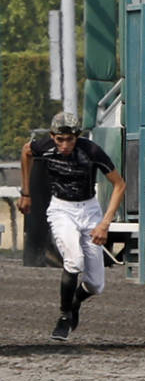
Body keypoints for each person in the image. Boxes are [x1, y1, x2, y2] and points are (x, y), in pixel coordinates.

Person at [20, 111, 125, 343]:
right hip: (61, 209)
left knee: (96, 285)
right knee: (74, 261)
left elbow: (119, 184)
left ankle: (74, 302)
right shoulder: (44, 146)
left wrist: (104, 224)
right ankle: (64, 316)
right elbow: (26, 151)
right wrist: (25, 192)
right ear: (52, 136)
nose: (65, 145)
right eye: (60, 140)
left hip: (90, 210)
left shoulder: (91, 151)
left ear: (77, 136)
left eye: (70, 139)